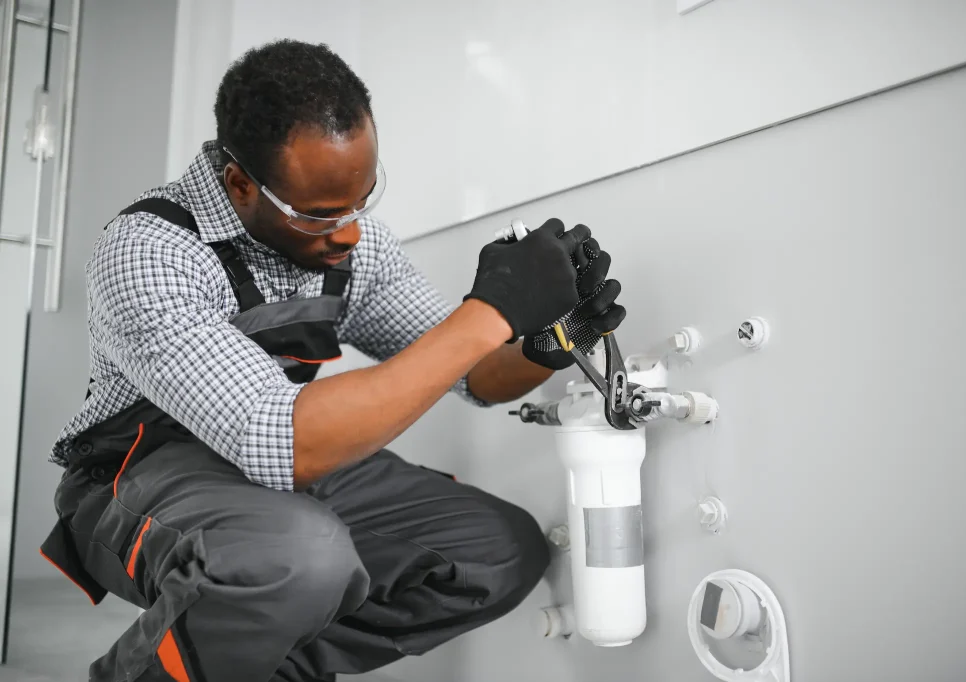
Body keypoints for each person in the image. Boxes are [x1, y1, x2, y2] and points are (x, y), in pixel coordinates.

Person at [39, 40, 625, 682]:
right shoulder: (148, 251)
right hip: (139, 477)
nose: (348, 233)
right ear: (239, 184)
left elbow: (470, 374)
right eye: (320, 216)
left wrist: (545, 343)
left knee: (498, 552)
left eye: (361, 203)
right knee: (301, 556)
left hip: (281, 463)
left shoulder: (351, 242)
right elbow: (280, 440)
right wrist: (489, 310)